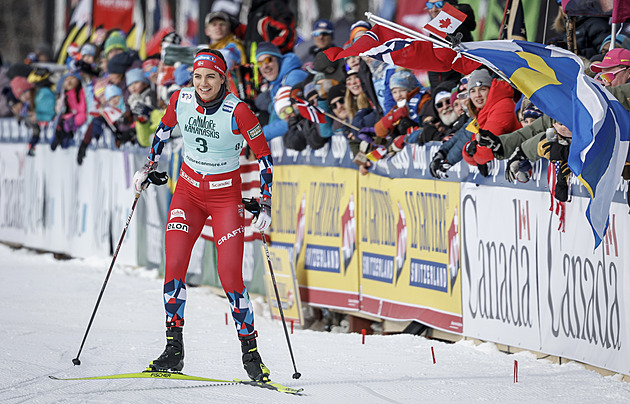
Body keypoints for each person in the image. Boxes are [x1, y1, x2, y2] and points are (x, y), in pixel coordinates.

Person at [132, 49, 274, 382]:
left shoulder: (239, 111)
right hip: (188, 193)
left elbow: (265, 158)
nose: (203, 83)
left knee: (230, 277)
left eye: (211, 76)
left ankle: (251, 355)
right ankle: (173, 350)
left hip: (225, 198)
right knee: (175, 266)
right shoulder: (180, 99)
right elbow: (162, 133)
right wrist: (147, 167)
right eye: (198, 76)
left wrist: (265, 202)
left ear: (223, 78)